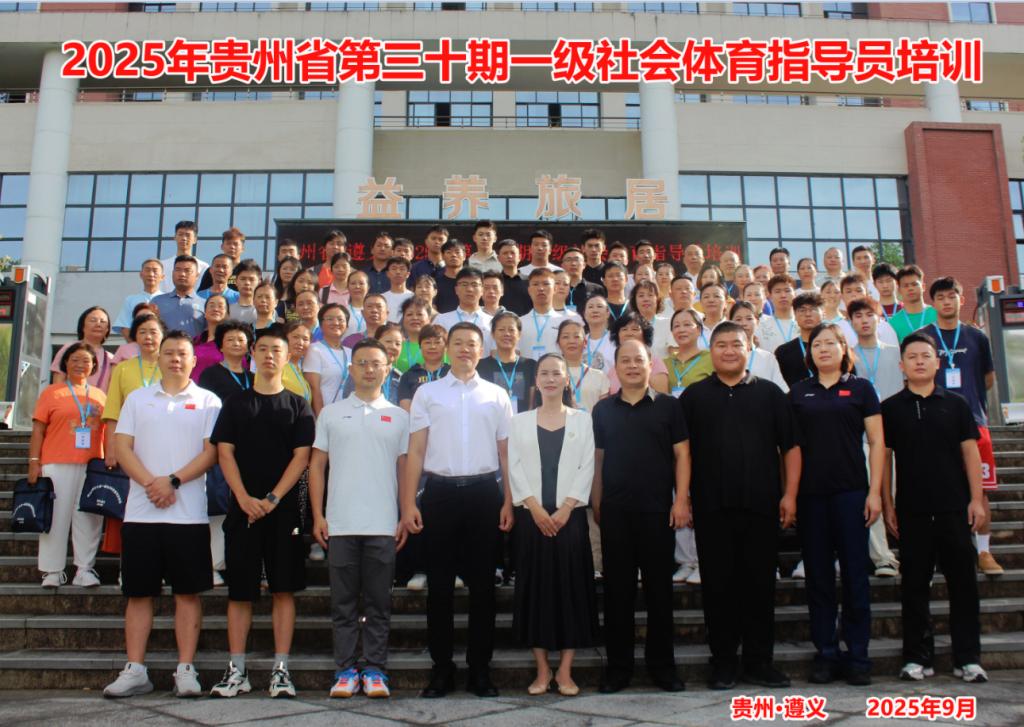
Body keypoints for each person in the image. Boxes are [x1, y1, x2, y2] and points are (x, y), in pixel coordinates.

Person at [680, 322, 800, 690]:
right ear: (710, 350)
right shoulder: (694, 397)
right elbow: (682, 454)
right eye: (721, 345)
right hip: (711, 508)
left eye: (736, 344)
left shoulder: (770, 394)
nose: (729, 351)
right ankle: (723, 663)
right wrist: (683, 497)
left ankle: (759, 662)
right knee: (718, 588)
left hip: (761, 507)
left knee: (759, 587)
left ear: (750, 348)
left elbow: (790, 448)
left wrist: (790, 495)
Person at [102, 330, 221, 699]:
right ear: (159, 357)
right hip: (141, 513)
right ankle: (135, 669)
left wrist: (172, 481)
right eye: (169, 353)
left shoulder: (208, 401)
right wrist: (151, 484)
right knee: (139, 593)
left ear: (193, 360)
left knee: (188, 593)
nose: (175, 359)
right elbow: (122, 446)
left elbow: (211, 453)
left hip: (188, 515)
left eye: (182, 354)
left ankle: (185, 668)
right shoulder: (138, 399)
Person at [399, 323, 514, 699]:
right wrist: (408, 503)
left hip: (484, 495)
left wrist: (509, 500)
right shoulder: (427, 393)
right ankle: (442, 669)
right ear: (447, 348)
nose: (465, 349)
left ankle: (480, 670)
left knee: (483, 588)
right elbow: (416, 451)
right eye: (458, 342)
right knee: (440, 588)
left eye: (472, 344)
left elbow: (506, 453)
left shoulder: (497, 395)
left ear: (482, 350)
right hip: (440, 495)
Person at [210, 325, 315, 698]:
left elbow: (302, 457)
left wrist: (272, 499)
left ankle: (280, 670)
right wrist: (243, 497)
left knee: (284, 589)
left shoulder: (298, 404)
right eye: (264, 349)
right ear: (253, 354)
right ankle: (236, 670)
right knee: (240, 592)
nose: (270, 355)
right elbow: (224, 452)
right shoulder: (235, 403)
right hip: (242, 510)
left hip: (284, 513)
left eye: (277, 350)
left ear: (287, 358)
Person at [881, 332, 988, 684]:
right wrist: (888, 503)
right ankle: (916, 657)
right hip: (911, 511)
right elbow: (885, 459)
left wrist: (976, 499)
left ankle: (968, 658)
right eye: (912, 357)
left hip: (954, 508)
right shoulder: (891, 408)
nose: (919, 361)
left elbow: (970, 453)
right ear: (902, 365)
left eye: (925, 356)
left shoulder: (956, 404)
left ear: (937, 362)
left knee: (963, 585)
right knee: (914, 586)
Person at [310, 338, 410, 699]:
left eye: (376, 363)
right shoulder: (331, 413)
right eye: (363, 363)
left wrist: (405, 512)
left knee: (379, 603)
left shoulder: (400, 417)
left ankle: (375, 670)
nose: (369, 370)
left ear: (388, 369)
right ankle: (346, 670)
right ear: (351, 369)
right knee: (343, 605)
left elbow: (404, 469)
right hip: (340, 523)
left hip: (383, 524)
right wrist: (318, 514)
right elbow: (317, 466)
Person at [591, 339, 690, 694]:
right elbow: (598, 459)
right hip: (615, 512)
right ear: (615, 367)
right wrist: (597, 502)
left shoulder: (669, 407)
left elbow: (682, 455)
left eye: (639, 360)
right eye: (625, 360)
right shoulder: (603, 410)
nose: (632, 366)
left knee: (659, 592)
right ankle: (619, 669)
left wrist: (681, 501)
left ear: (651, 364)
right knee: (617, 593)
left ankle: (662, 667)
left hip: (658, 512)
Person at [789, 323, 883, 686]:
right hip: (811, 496)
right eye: (817, 345)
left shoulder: (861, 388)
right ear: (809, 353)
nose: (823, 349)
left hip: (851, 493)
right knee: (819, 578)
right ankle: (826, 653)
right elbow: (789, 448)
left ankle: (858, 655)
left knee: (856, 576)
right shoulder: (799, 392)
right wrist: (790, 494)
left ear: (844, 349)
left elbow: (877, 442)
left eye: (830, 343)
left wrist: (875, 492)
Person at [509, 353, 597, 697]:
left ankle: (565, 670)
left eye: (556, 373)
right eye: (543, 373)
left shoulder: (582, 421)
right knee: (535, 591)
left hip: (569, 520)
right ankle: (542, 669)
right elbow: (514, 466)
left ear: (566, 380)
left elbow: (587, 466)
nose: (549, 379)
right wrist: (533, 507)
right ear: (536, 381)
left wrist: (567, 508)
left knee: (571, 591)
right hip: (532, 520)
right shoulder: (519, 422)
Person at [922, 277, 1002, 575]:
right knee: (937, 488)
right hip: (935, 424)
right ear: (933, 303)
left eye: (951, 296)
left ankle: (984, 551)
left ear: (961, 299)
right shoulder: (924, 337)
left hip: (975, 423)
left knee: (980, 489)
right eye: (940, 297)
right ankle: (942, 551)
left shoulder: (977, 337)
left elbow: (988, 378)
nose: (946, 302)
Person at [30, 343, 106, 588]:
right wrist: (34, 462)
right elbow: (38, 429)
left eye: (86, 361)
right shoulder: (52, 393)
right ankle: (52, 571)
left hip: (92, 464)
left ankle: (84, 569)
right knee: (56, 517)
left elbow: (108, 431)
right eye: (75, 360)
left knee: (89, 518)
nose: (80, 365)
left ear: (94, 366)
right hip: (57, 461)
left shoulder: (100, 395)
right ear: (65, 363)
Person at [101, 314, 166, 558]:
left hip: (163, 446)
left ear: (163, 336)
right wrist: (111, 449)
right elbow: (113, 411)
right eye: (143, 332)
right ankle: (127, 566)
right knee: (128, 509)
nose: (148, 337)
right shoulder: (124, 368)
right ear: (135, 338)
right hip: (128, 448)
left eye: (154, 332)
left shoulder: (171, 366)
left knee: (162, 501)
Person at [847, 298, 903, 579]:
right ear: (851, 322)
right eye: (858, 316)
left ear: (880, 319)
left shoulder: (897, 353)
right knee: (873, 490)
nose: (864, 320)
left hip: (900, 431)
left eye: (870, 315)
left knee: (901, 492)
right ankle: (883, 557)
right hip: (865, 436)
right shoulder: (847, 358)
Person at [478, 312, 537, 414]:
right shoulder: (480, 366)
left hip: (522, 421)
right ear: (493, 334)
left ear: (519, 335)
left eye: (511, 330)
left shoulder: (530, 365)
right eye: (501, 330)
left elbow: (532, 405)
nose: (507, 334)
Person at [51, 306, 116, 392]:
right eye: (93, 320)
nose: (98, 324)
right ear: (82, 326)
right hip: (69, 398)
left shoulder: (111, 358)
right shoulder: (69, 348)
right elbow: (58, 382)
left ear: (107, 329)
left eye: (103, 322)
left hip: (97, 400)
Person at [303, 303, 352, 416]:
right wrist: (321, 417)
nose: (335, 323)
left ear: (347, 326)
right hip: (326, 413)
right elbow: (314, 388)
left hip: (348, 414)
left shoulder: (350, 352)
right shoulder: (314, 350)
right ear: (320, 325)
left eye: (340, 319)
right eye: (330, 319)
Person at [728, 301, 788, 392]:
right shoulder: (725, 356)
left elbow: (781, 391)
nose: (744, 323)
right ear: (730, 323)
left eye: (749, 318)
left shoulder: (768, 358)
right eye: (738, 319)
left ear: (757, 322)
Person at [606, 312, 670, 395]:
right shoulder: (613, 369)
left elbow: (662, 397)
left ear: (644, 334)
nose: (629, 333)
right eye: (624, 329)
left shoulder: (655, 363)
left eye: (635, 329)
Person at [434, 268, 494, 352]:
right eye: (464, 284)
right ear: (456, 290)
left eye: (474, 285)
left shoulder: (492, 322)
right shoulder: (441, 320)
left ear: (482, 290)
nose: (469, 289)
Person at [556, 319, 610, 412]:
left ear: (585, 343)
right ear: (558, 344)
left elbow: (604, 412)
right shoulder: (553, 376)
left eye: (576, 336)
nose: (571, 341)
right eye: (565, 337)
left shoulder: (599, 376)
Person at [774, 292, 823, 388]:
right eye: (802, 310)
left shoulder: (833, 346)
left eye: (813, 309)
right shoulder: (783, 352)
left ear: (823, 313)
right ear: (795, 315)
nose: (807, 314)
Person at [151, 255, 206, 339]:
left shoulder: (205, 304)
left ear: (197, 276)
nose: (182, 274)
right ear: (172, 273)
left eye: (187, 270)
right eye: (178, 270)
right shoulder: (157, 301)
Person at [517, 269, 568, 360]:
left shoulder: (564, 322)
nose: (541, 288)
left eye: (546, 284)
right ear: (529, 290)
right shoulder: (519, 322)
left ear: (555, 289)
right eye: (535, 284)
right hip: (527, 369)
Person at [398, 325, 451, 411]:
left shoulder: (453, 373)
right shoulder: (408, 376)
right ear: (420, 346)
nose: (432, 347)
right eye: (427, 342)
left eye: (437, 342)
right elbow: (406, 408)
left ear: (445, 347)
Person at [837, 274, 898, 347]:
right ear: (842, 296)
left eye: (858, 290)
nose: (854, 295)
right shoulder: (838, 327)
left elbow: (892, 351)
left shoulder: (882, 326)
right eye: (849, 291)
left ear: (867, 294)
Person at [114, 259, 165, 339]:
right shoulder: (130, 300)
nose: (151, 274)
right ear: (141, 275)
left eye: (155, 271)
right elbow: (124, 327)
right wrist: (136, 345)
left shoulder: (168, 300)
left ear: (162, 277)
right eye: (147, 270)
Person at [890, 265, 937, 342]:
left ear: (923, 287)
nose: (910, 288)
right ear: (899, 290)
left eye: (914, 284)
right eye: (905, 286)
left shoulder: (938, 315)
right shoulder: (893, 323)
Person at [158, 220, 207, 293]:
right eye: (180, 234)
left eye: (188, 235)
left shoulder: (204, 267)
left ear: (195, 239)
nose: (184, 238)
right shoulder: (162, 265)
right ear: (175, 237)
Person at [189, 295, 229, 382]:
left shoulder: (231, 342)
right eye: (211, 305)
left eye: (220, 306)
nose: (216, 309)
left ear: (227, 314)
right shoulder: (195, 341)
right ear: (205, 313)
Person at [755, 275, 799, 353]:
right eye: (777, 291)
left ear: (795, 294)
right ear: (770, 296)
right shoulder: (761, 325)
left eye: (787, 291)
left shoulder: (803, 324)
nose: (783, 295)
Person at [197, 227, 246, 292]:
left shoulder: (247, 270)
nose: (232, 247)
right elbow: (201, 294)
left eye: (235, 244)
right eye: (228, 243)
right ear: (222, 246)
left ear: (242, 248)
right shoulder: (213, 270)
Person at [395, 297, 433, 374]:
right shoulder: (395, 346)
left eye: (419, 314)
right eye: (409, 314)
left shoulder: (438, 347)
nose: (414, 318)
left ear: (429, 319)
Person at [496, 239, 531, 315]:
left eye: (513, 253)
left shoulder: (529, 282)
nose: (509, 256)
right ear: (498, 258)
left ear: (519, 257)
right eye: (505, 253)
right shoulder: (495, 282)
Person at [560, 247, 602, 312]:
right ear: (562, 266)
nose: (573, 263)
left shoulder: (596, 289)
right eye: (568, 260)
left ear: (584, 265)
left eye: (577, 260)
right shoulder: (556, 288)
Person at [582, 296, 616, 375]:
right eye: (590, 307)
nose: (595, 310)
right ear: (585, 315)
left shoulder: (616, 339)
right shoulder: (580, 341)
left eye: (599, 306)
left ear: (608, 313)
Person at [282, 321, 313, 403]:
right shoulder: (277, 367)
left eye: (305, 339)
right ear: (284, 339)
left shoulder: (301, 369)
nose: (300, 343)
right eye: (295, 337)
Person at [434, 239, 466, 314]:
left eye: (457, 252)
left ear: (464, 256)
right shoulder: (435, 282)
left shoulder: (472, 281)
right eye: (449, 252)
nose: (453, 255)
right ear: (442, 256)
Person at [228, 260, 262, 326]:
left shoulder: (267, 311)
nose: (247, 283)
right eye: (243, 279)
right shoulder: (227, 311)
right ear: (236, 281)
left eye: (251, 279)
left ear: (259, 282)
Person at [382, 256, 413, 322]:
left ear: (408, 274)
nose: (398, 272)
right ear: (387, 273)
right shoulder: (382, 298)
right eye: (394, 269)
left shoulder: (414, 297)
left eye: (402, 269)